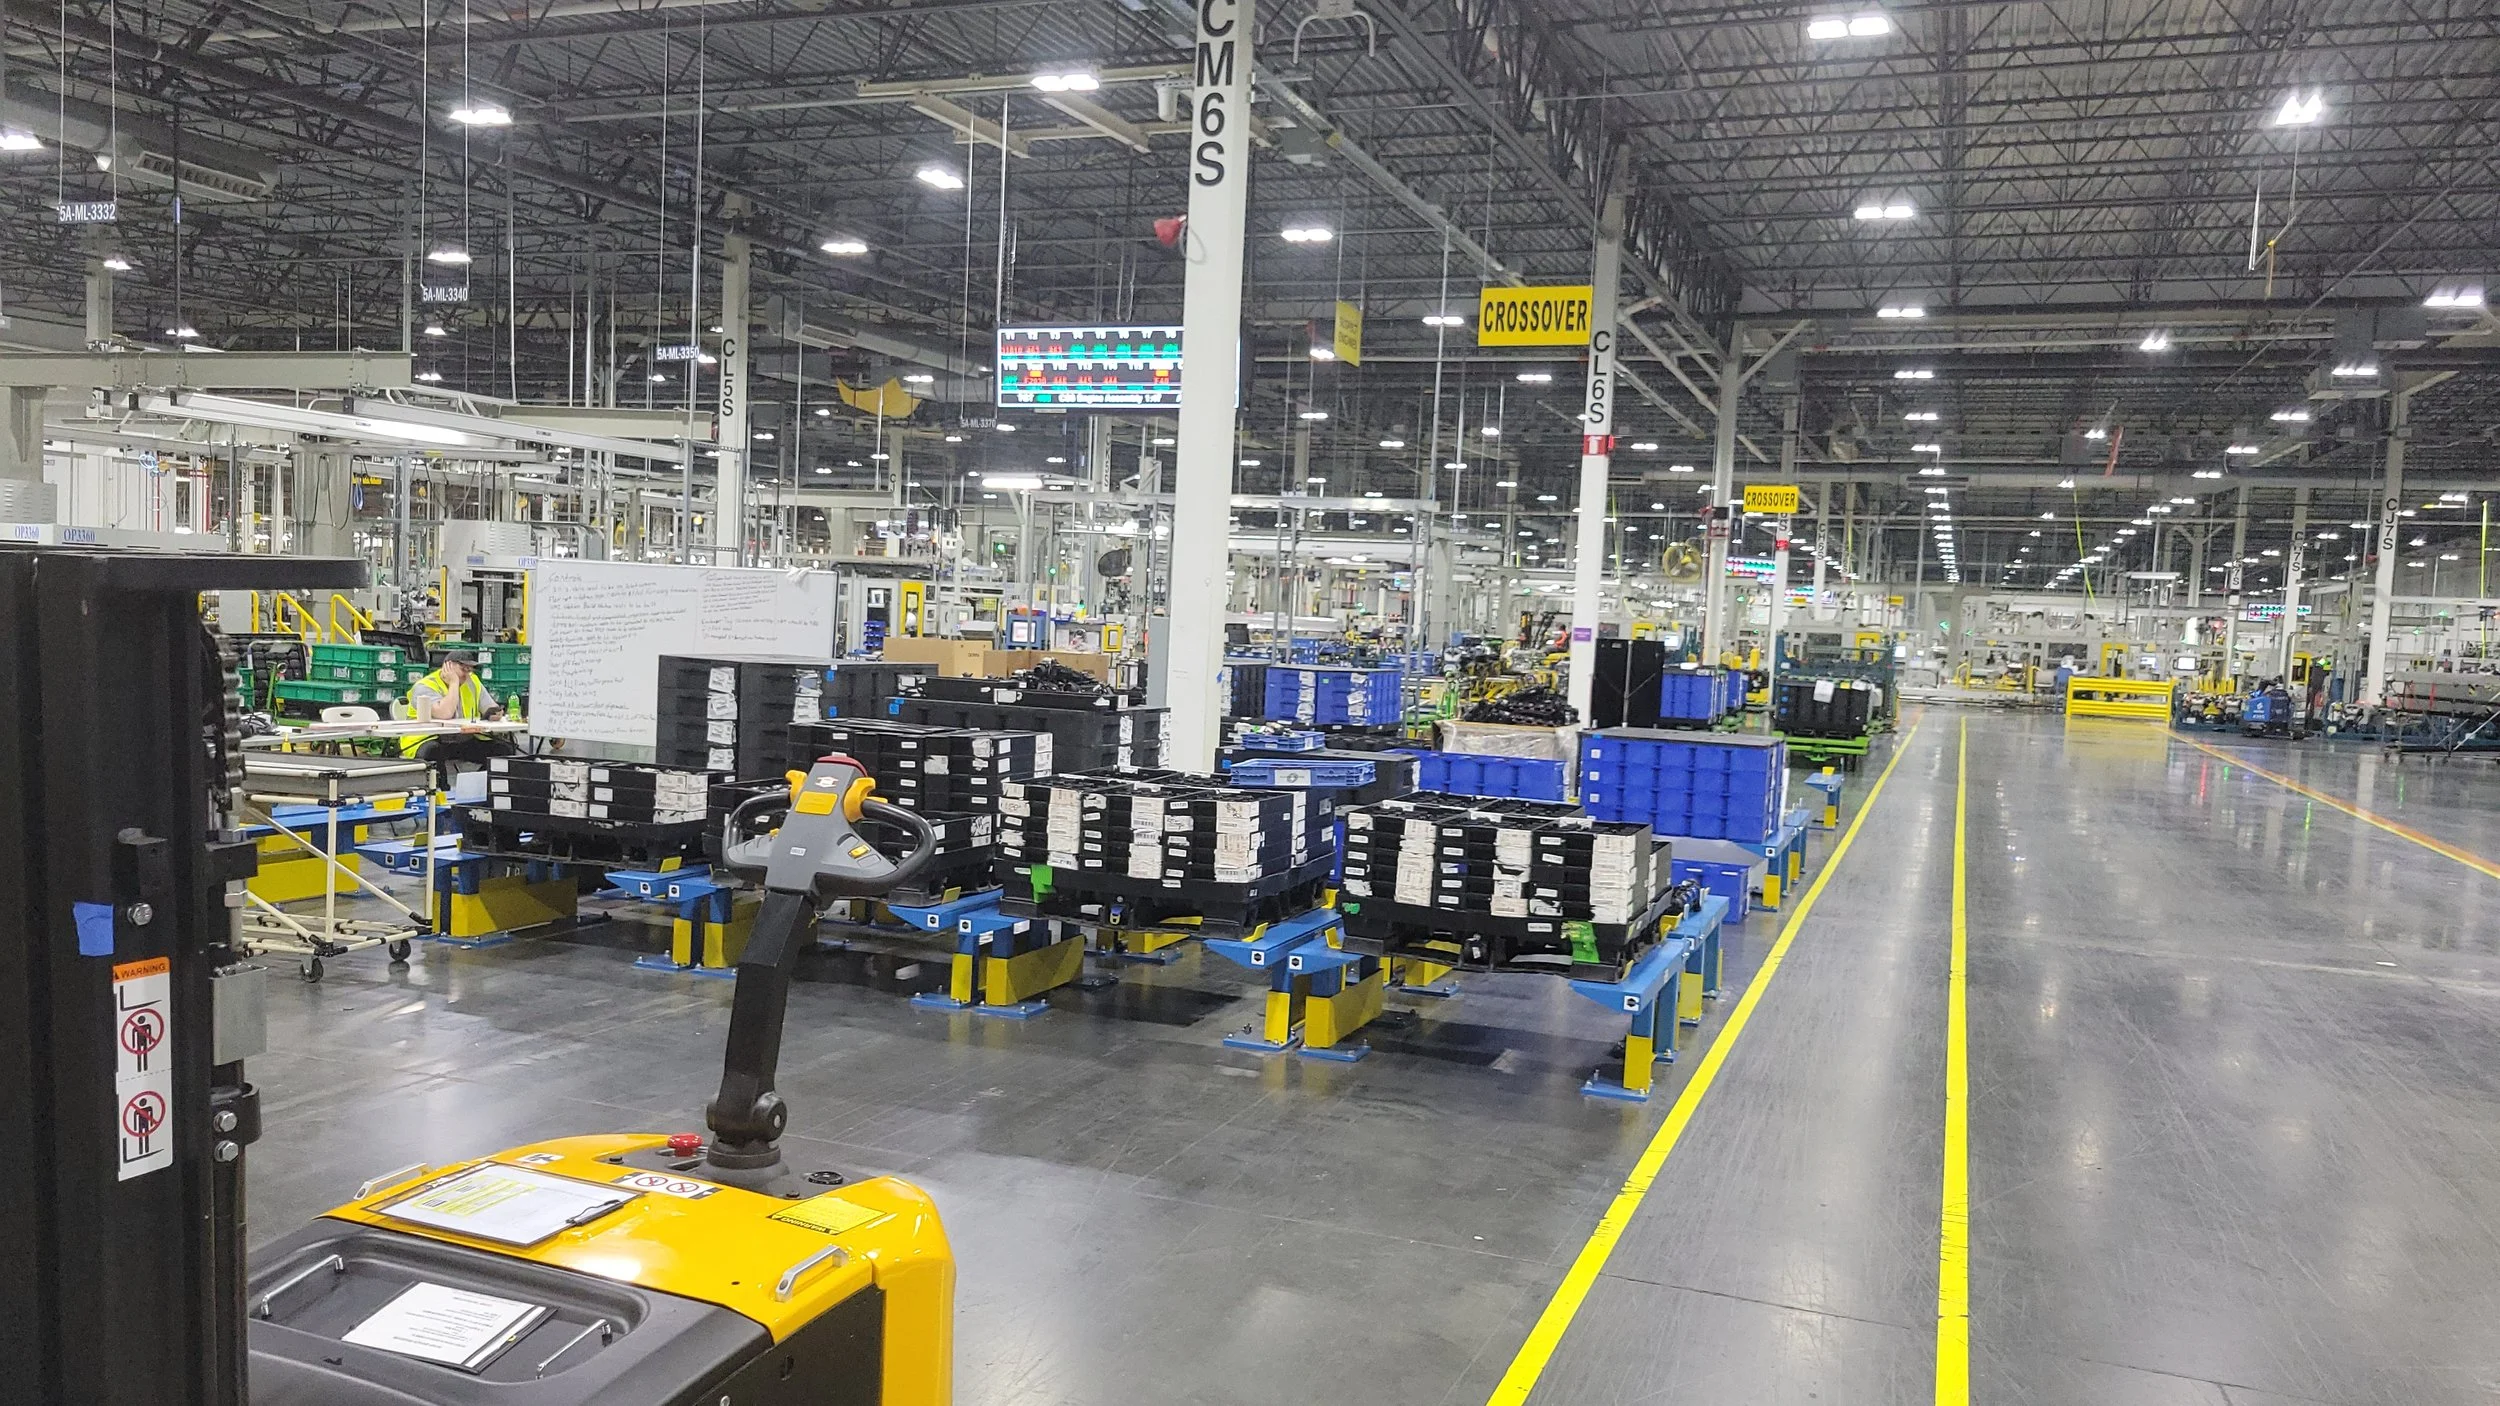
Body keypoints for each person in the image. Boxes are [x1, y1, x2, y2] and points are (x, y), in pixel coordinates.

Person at [402, 650, 517, 774]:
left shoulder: (472, 681)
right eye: (463, 669)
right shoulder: (425, 686)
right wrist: (454, 683)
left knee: (503, 749)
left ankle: (483, 785)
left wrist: (494, 713)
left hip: (463, 738)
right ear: (448, 666)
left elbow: (489, 706)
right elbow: (445, 713)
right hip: (426, 739)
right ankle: (442, 790)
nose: (467, 674)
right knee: (433, 752)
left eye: (470, 670)